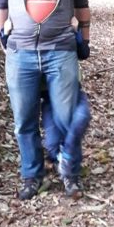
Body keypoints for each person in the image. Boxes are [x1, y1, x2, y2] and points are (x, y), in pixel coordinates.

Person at [0, 0, 91, 200]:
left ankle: (70, 173)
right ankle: (31, 175)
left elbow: (82, 5)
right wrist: (4, 41)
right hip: (20, 51)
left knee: (65, 116)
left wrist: (84, 41)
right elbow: (0, 3)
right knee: (24, 120)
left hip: (60, 49)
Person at [41, 28, 91, 186]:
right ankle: (62, 159)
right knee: (52, 143)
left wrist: (76, 31)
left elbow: (84, 52)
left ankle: (69, 164)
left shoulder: (64, 28)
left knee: (80, 118)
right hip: (47, 97)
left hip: (70, 90)